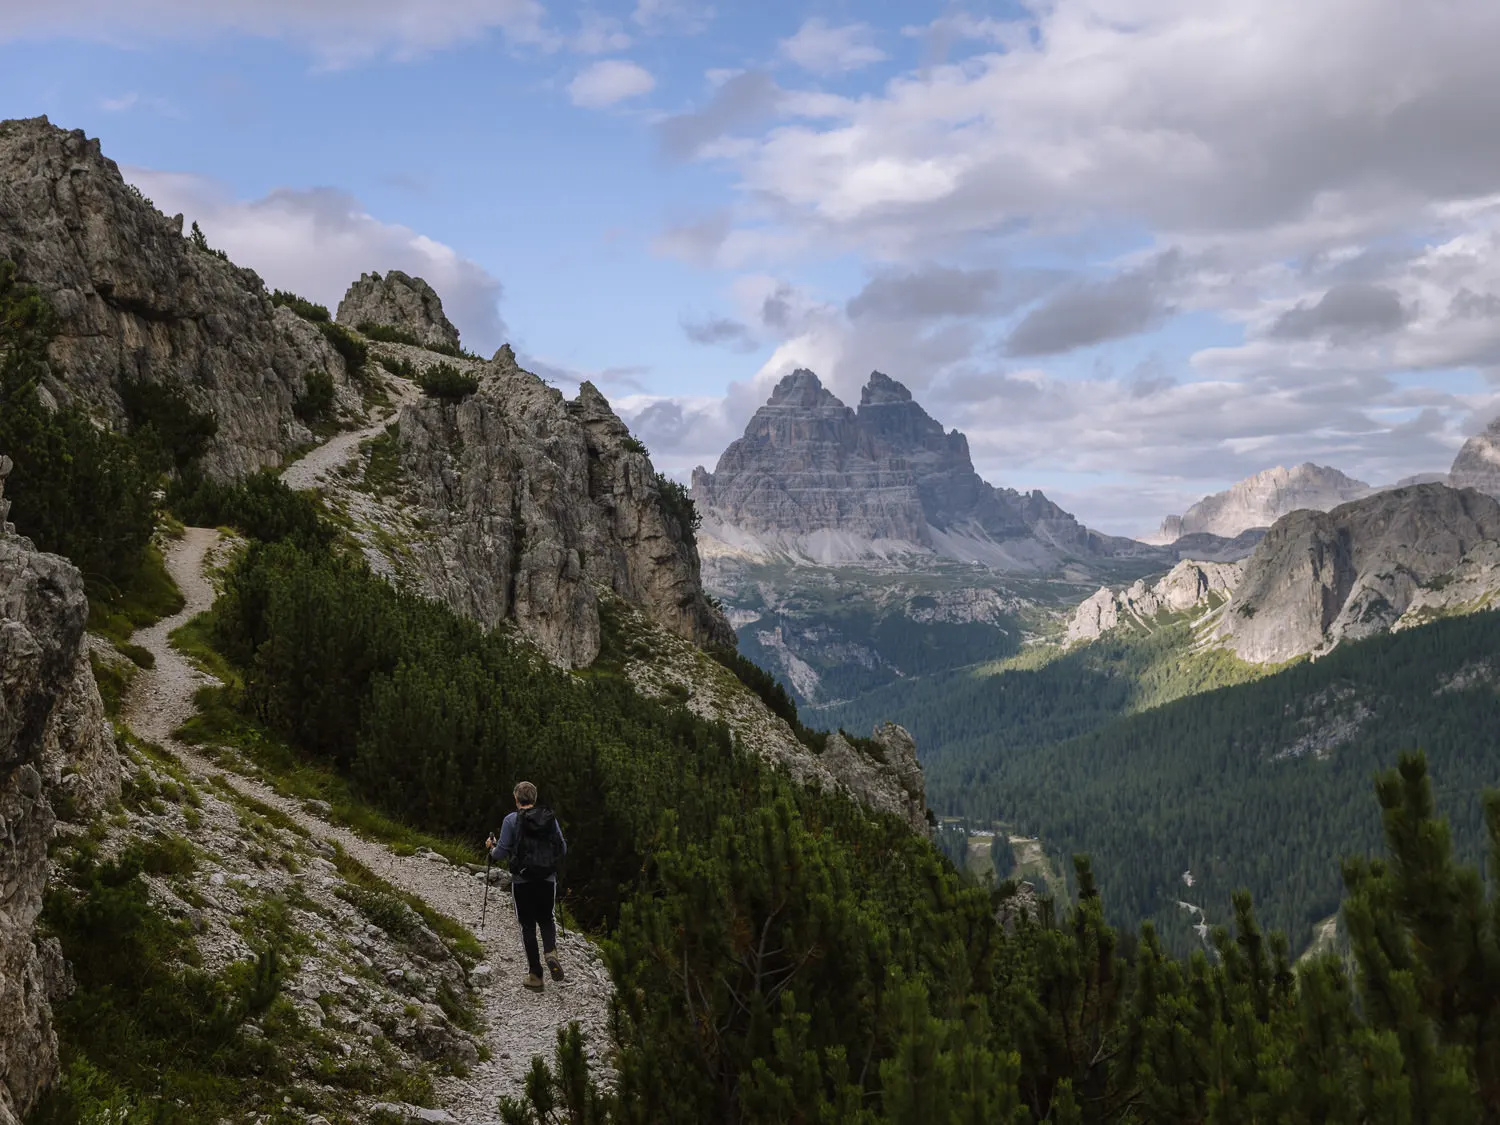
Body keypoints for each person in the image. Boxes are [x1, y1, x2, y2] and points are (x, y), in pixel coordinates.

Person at [487, 781, 566, 992]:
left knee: (528, 925)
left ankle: (535, 975)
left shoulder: (511, 820)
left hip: (522, 881)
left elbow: (501, 852)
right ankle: (550, 951)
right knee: (547, 918)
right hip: (547, 879)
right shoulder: (550, 818)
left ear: (516, 799)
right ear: (535, 798)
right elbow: (562, 847)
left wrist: (491, 849)